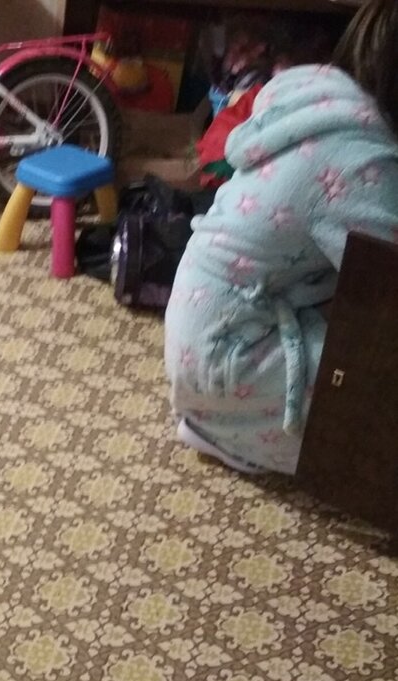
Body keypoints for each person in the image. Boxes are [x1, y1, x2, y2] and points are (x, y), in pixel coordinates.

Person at [165, 0, 398, 475]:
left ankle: (222, 418)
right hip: (234, 359)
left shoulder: (321, 98)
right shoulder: (360, 162)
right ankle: (229, 427)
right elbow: (387, 275)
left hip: (205, 330)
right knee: (377, 413)